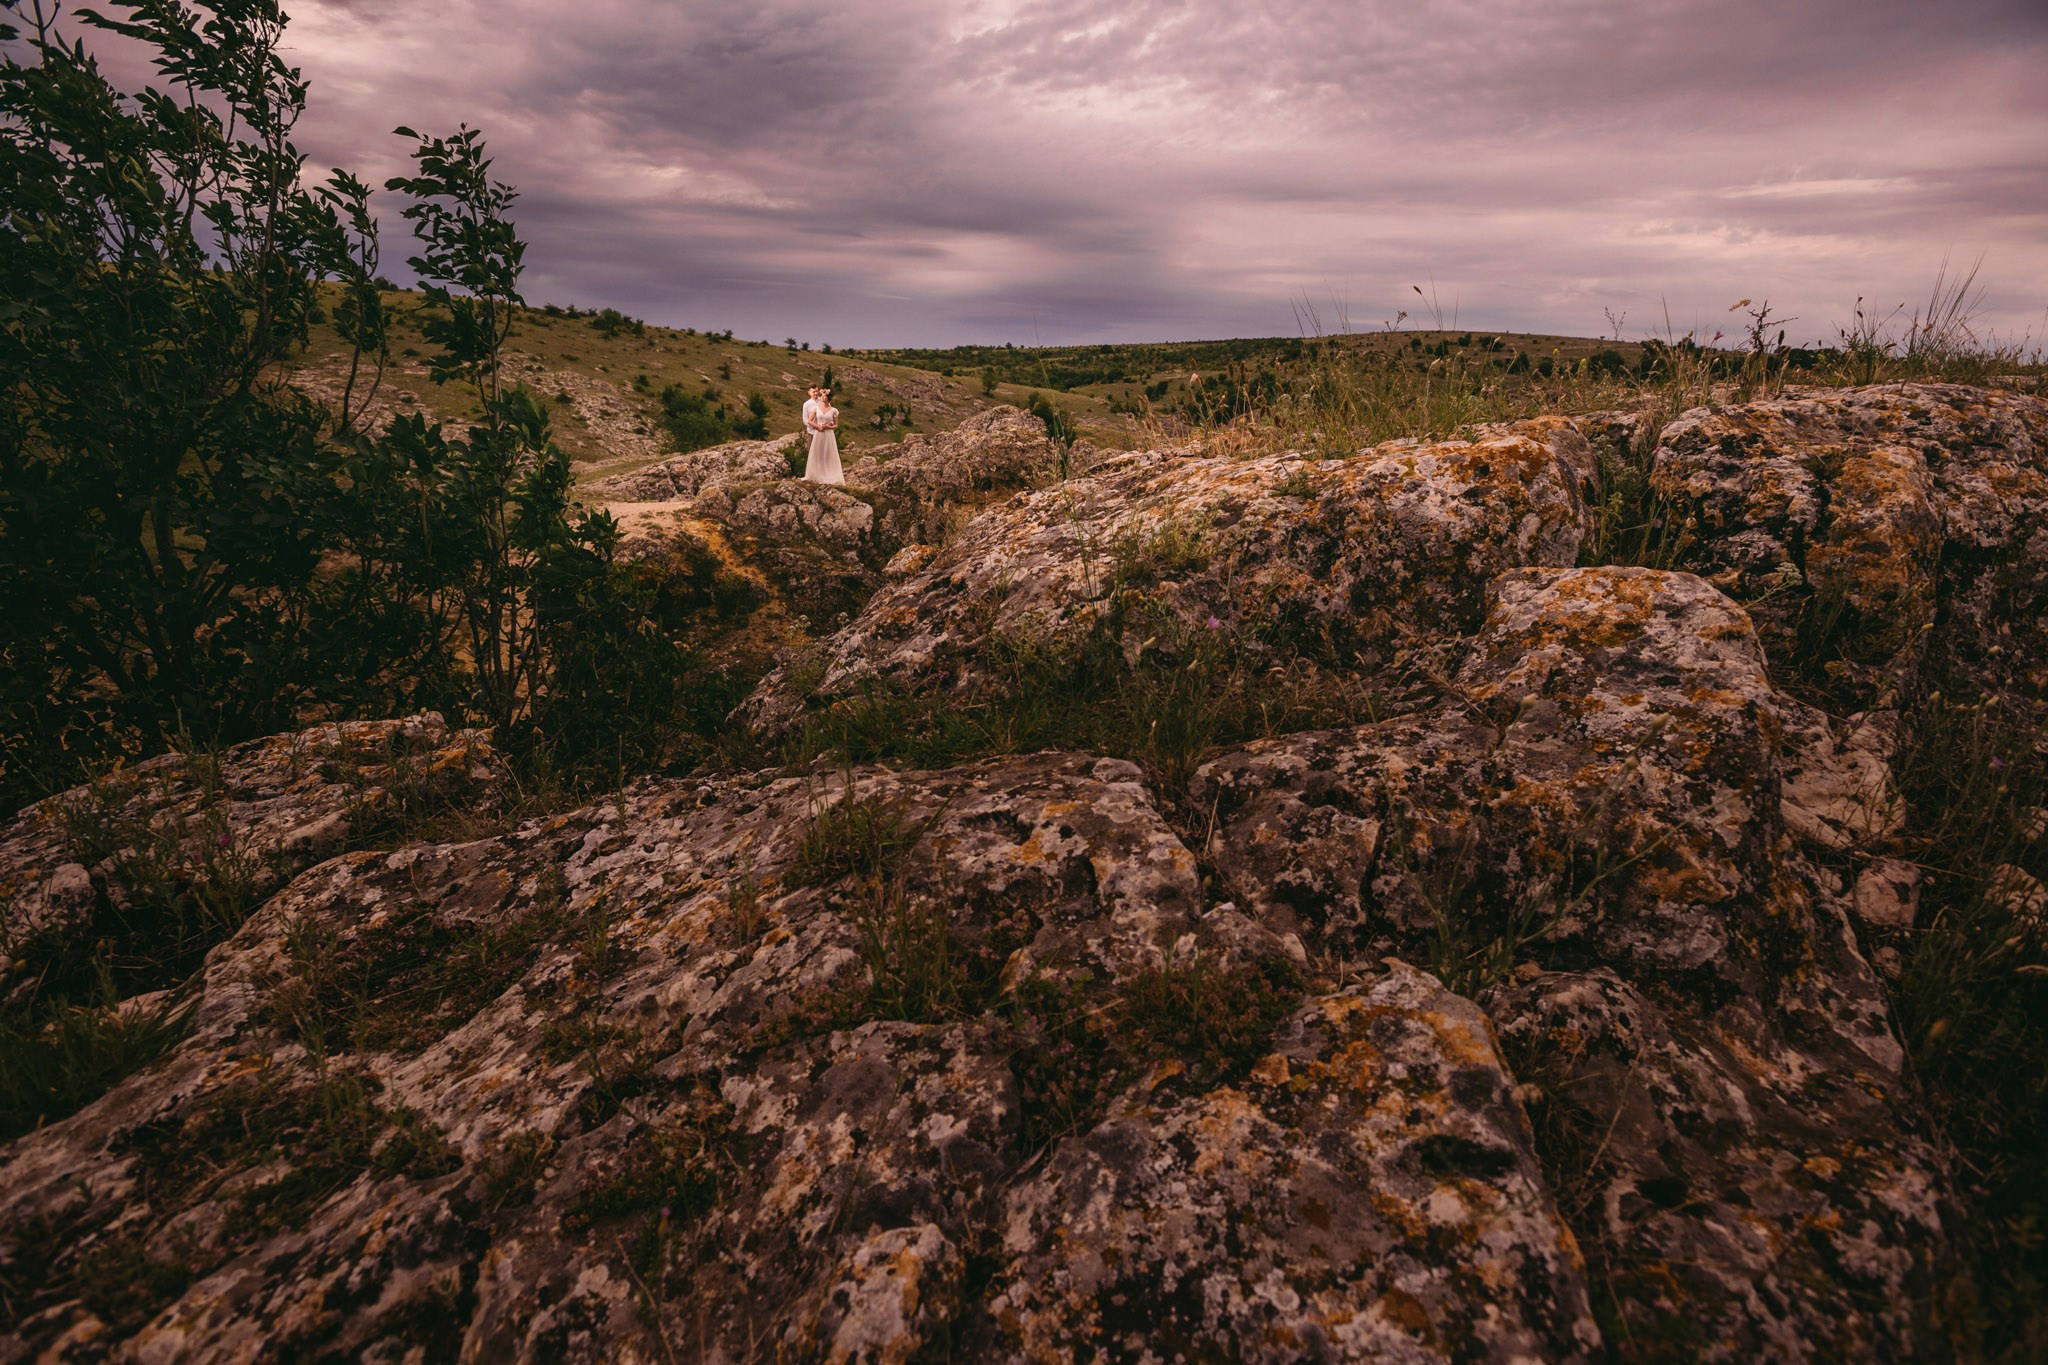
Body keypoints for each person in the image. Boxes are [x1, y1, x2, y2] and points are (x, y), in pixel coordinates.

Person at [804, 385, 843, 484]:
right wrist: (818, 426)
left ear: (828, 398)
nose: (822, 397)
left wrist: (829, 427)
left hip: (829, 434)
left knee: (828, 454)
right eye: (822, 396)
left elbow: (836, 425)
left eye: (824, 396)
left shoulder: (834, 410)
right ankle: (816, 473)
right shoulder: (816, 408)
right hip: (819, 432)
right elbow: (809, 421)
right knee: (818, 453)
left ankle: (829, 474)